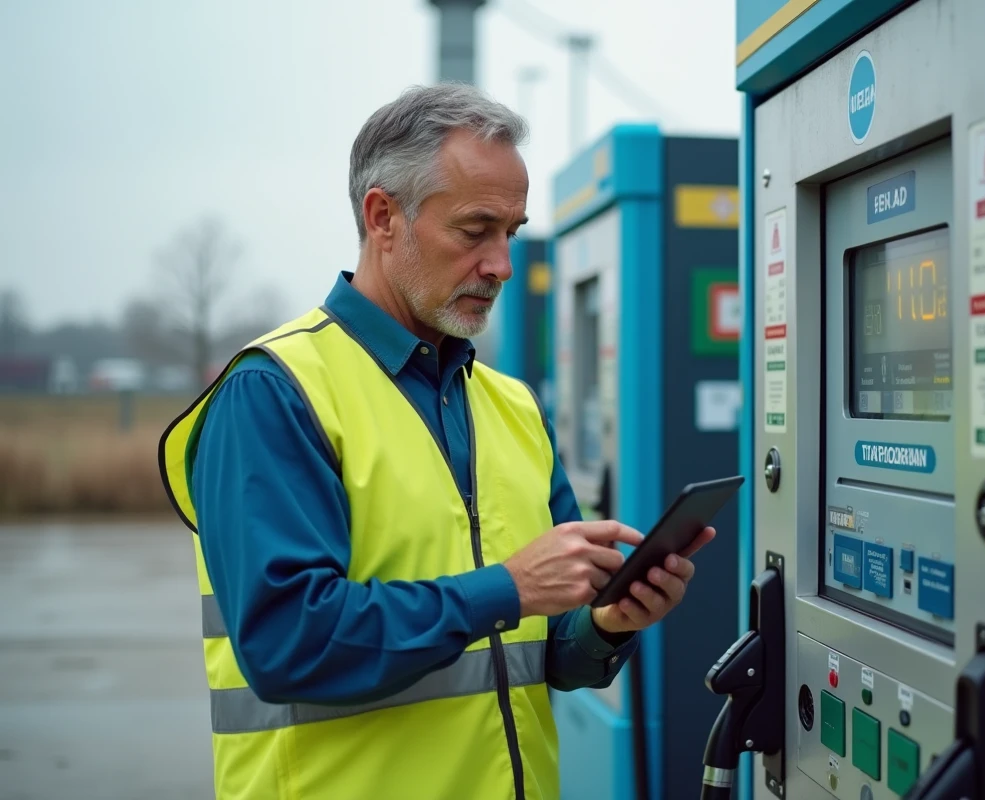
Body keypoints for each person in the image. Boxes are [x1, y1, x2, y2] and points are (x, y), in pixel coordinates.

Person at [158, 82, 716, 800]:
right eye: (475, 230)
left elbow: (551, 657)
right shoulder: (275, 392)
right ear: (382, 216)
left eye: (511, 233)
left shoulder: (512, 407)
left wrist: (608, 622)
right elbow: (287, 644)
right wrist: (507, 588)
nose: (502, 265)